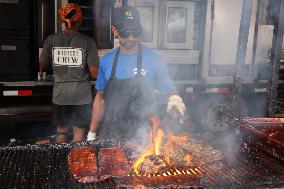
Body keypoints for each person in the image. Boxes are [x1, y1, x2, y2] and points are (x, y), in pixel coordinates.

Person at [87, 5, 186, 141]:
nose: (131, 38)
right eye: (125, 33)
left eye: (135, 33)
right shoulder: (106, 61)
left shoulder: (154, 59)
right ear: (115, 31)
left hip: (143, 135)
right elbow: (100, 98)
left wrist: (175, 99)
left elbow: (170, 90)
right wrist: (92, 132)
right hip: (111, 133)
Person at [39, 3, 99, 143]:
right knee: (78, 138)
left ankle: (60, 161)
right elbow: (94, 73)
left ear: (63, 20)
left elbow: (42, 65)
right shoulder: (88, 42)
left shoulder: (51, 40)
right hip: (81, 97)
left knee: (61, 135)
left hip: (60, 96)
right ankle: (76, 162)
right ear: (80, 20)